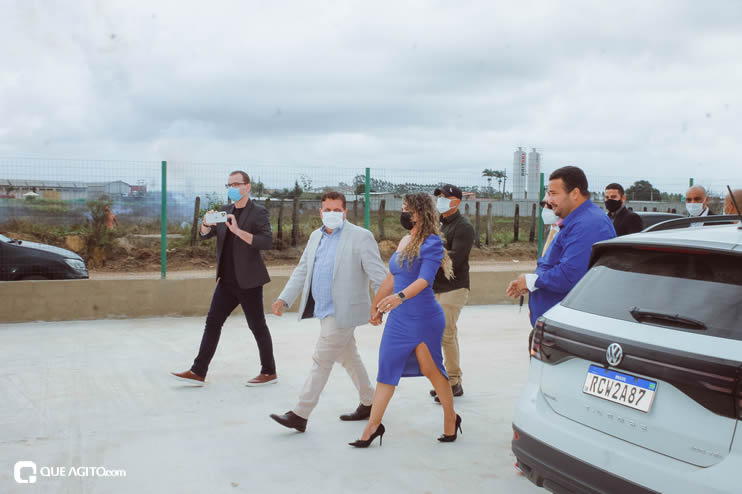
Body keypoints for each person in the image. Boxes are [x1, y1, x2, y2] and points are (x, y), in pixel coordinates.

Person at [349, 193, 461, 448]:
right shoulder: (405, 240)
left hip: (424, 318)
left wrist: (399, 297)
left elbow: (424, 280)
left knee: (432, 370)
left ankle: (451, 417)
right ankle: (373, 426)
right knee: (386, 369)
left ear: (420, 212)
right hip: (399, 319)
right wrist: (376, 304)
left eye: (407, 209)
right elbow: (392, 277)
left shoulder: (432, 242)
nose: (403, 213)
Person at [268, 191, 387, 432]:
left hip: (344, 311)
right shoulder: (316, 236)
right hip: (323, 310)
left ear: (345, 212)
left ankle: (300, 413)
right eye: (328, 210)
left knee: (321, 359)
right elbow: (303, 269)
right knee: (348, 356)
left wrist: (380, 306)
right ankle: (370, 402)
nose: (332, 214)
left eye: (337, 210)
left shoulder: (361, 237)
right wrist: (284, 298)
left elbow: (378, 275)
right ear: (320, 212)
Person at [171, 171, 277, 386]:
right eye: (229, 185)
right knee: (212, 323)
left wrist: (237, 231)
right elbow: (204, 235)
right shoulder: (224, 211)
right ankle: (198, 371)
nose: (232, 188)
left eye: (236, 184)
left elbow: (266, 241)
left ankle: (269, 372)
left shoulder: (258, 212)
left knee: (257, 326)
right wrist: (205, 224)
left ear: (247, 186)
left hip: (249, 281)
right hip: (226, 281)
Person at [506, 166, 616, 328]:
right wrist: (535, 288)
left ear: (575, 193)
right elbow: (553, 264)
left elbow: (569, 275)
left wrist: (532, 281)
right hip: (556, 322)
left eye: (553, 194)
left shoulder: (589, 224)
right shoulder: (575, 221)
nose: (549, 201)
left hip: (570, 325)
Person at [429, 184, 474, 403]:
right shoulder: (439, 223)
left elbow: (455, 257)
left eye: (445, 197)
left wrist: (430, 255)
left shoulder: (464, 227)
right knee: (444, 334)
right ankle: (446, 379)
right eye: (439, 197)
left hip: (454, 288)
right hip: (437, 287)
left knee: (446, 334)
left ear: (456, 202)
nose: (440, 200)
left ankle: (454, 382)